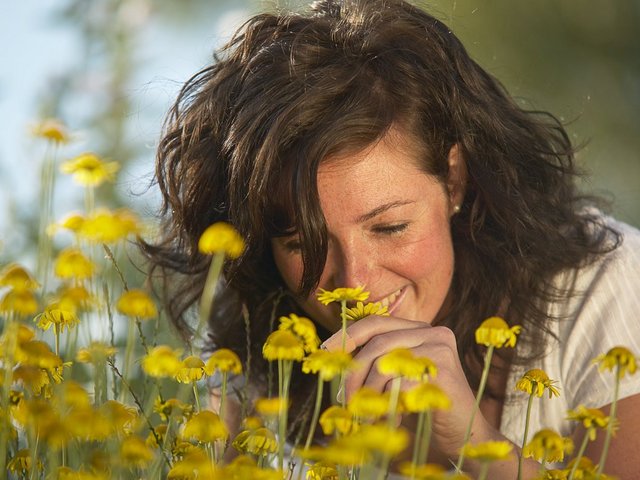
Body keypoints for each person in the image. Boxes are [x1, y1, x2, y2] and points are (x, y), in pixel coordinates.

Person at [143, 0, 640, 477]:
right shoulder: (248, 351)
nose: (355, 282)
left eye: (390, 227)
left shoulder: (606, 290)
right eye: (301, 244)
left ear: (454, 180)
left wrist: (476, 448)